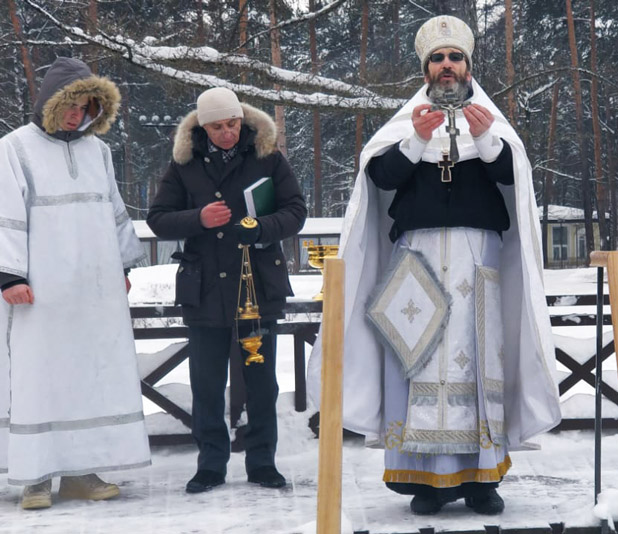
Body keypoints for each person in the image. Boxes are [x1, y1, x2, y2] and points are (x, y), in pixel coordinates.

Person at [307, 15, 561, 516]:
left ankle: (481, 481)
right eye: (438, 59)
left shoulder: (493, 123)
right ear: (426, 69)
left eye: (455, 58)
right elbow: (378, 178)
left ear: (468, 67)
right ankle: (425, 483)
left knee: (477, 363)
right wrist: (416, 141)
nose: (447, 66)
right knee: (414, 357)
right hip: (414, 264)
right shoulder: (406, 123)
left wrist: (487, 142)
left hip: (477, 262)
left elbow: (517, 180)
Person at [0, 57, 151, 510]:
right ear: (51, 100)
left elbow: (114, 212)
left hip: (94, 291)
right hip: (39, 292)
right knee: (39, 379)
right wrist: (10, 275)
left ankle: (83, 472)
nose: (77, 114)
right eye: (71, 104)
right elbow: (5, 216)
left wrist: (122, 268)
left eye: (87, 106)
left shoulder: (96, 151)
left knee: (92, 376)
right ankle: (35, 478)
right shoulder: (14, 148)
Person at [147, 87, 307, 494]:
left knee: (261, 381)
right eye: (217, 126)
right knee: (206, 381)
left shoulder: (268, 156)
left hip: (256, 288)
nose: (227, 133)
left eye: (233, 123)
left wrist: (263, 228)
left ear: (242, 120)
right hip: (205, 290)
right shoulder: (184, 164)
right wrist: (198, 218)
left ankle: (262, 463)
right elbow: (159, 219)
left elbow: (295, 211)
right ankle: (211, 465)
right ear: (203, 127)